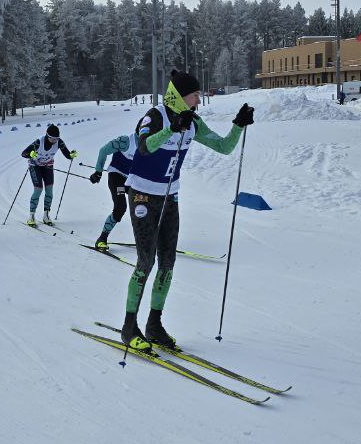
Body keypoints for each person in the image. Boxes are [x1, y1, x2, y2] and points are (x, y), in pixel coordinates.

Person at [118, 70, 254, 353]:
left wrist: (238, 126)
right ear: (180, 96)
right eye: (194, 95)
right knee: (146, 261)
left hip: (169, 196)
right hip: (142, 194)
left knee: (167, 263)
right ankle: (129, 328)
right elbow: (144, 147)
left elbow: (223, 147)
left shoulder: (193, 122)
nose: (199, 100)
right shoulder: (154, 117)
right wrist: (172, 128)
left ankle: (154, 325)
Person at [87, 132, 137, 251]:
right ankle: (102, 238)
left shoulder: (152, 144)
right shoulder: (126, 141)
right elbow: (103, 150)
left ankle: (146, 239)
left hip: (132, 181)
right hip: (118, 178)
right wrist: (98, 172)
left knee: (144, 206)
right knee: (120, 207)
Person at [20, 124, 77, 226]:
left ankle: (46, 215)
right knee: (38, 189)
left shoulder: (59, 142)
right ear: (47, 136)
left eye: (57, 138)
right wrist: (31, 154)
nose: (55, 140)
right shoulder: (39, 142)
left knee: (49, 190)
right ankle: (31, 216)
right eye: (53, 138)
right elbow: (24, 153)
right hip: (35, 165)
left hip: (48, 166)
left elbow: (67, 154)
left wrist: (71, 155)